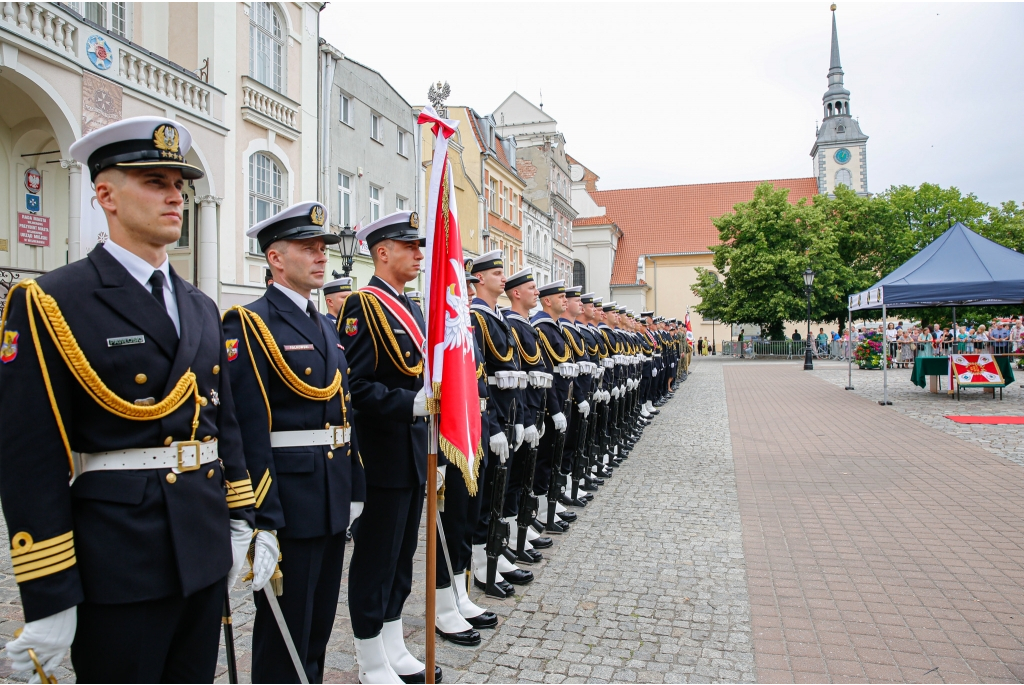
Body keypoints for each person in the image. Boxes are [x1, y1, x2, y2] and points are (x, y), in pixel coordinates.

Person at [0, 117, 255, 682]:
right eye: (153, 180)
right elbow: (28, 455)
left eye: (178, 183)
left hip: (201, 543)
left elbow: (223, 424)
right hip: (120, 555)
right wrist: (49, 596)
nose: (174, 195)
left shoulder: (198, 305)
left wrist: (241, 519)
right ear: (105, 194)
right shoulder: (52, 299)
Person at [223, 201, 363, 683]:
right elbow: (246, 426)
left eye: (323, 248)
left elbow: (345, 410)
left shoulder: (326, 323)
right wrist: (260, 517)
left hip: (329, 495)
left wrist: (356, 486)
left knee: (318, 625)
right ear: (275, 259)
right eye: (308, 248)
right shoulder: (250, 322)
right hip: (288, 499)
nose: (321, 256)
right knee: (284, 633)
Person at [340, 211, 437, 684]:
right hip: (381, 456)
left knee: (401, 557)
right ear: (383, 252)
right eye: (410, 246)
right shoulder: (364, 306)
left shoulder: (411, 306)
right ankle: (368, 654)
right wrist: (409, 404)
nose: (420, 255)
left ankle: (393, 640)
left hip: (413, 454)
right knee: (376, 557)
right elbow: (354, 387)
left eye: (420, 247)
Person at [468, 251, 535, 598]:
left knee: (502, 487)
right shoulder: (475, 319)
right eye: (497, 273)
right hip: (491, 421)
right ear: (479, 279)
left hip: (509, 418)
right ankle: (482, 563)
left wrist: (521, 419)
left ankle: (498, 552)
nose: (502, 279)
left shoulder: (499, 320)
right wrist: (491, 426)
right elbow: (480, 380)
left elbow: (516, 378)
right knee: (487, 496)